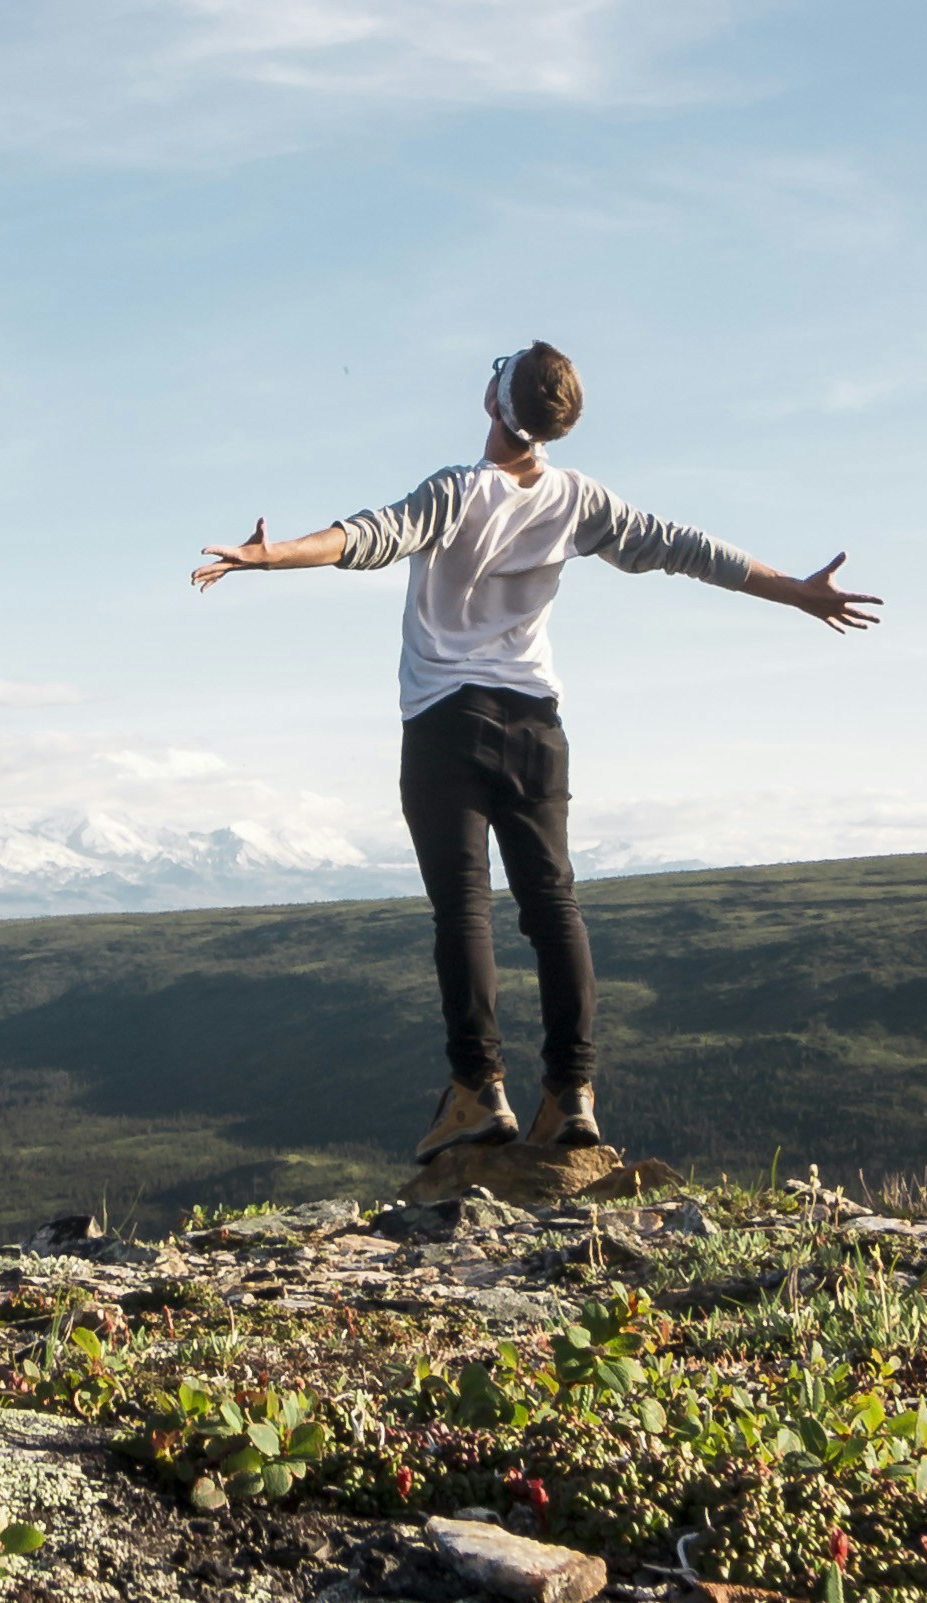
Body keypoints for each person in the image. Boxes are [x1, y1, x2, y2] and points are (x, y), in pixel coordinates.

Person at [192, 341, 879, 1163]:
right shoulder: (577, 500)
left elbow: (366, 538)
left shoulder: (456, 492)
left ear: (495, 403)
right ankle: (572, 1096)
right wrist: (795, 592)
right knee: (553, 908)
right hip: (537, 725)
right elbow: (688, 548)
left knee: (464, 912)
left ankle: (477, 1095)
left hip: (447, 723)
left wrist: (267, 556)